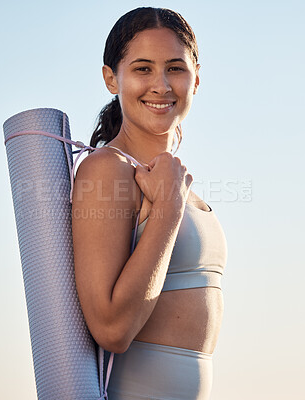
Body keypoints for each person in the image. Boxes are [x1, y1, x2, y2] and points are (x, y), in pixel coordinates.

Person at [72, 7, 227, 400]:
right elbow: (111, 329)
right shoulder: (108, 169)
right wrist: (169, 211)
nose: (161, 85)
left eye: (175, 68)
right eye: (142, 69)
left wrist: (172, 201)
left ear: (197, 78)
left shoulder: (171, 183)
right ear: (112, 78)